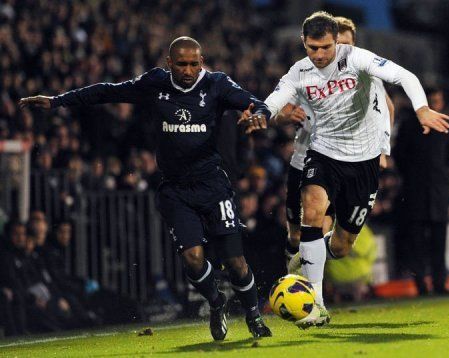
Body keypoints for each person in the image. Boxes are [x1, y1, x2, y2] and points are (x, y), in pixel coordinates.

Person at [19, 36, 271, 340]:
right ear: (169, 63)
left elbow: (255, 102)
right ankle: (217, 303)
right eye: (182, 64)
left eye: (194, 63)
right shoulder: (155, 84)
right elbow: (107, 92)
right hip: (176, 190)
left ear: (201, 62)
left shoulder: (217, 84)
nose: (189, 70)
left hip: (214, 185)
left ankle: (254, 316)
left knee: (236, 262)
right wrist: (58, 100)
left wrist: (260, 115)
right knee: (192, 259)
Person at [248, 11, 449, 328]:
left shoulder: (356, 58)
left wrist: (422, 109)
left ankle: (311, 254)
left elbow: (406, 77)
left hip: (364, 162)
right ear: (304, 43)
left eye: (325, 47)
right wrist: (262, 110)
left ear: (335, 43)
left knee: (341, 247)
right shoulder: (299, 71)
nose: (318, 55)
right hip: (323, 152)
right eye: (312, 47)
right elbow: (277, 98)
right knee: (312, 209)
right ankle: (316, 304)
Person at [273, 16, 395, 270]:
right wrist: (285, 115)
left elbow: (387, 107)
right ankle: (299, 282)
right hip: (306, 158)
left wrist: (383, 147)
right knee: (297, 235)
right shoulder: (303, 73)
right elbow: (278, 111)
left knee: (328, 233)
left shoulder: (363, 70)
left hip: (349, 160)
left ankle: (306, 289)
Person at [393, 87, 449, 295]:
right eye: (431, 101)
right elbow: (400, 157)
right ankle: (421, 286)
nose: (434, 105)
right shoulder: (409, 126)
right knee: (417, 243)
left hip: (437, 193)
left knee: (439, 243)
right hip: (416, 193)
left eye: (437, 101)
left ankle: (439, 284)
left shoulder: (447, 126)